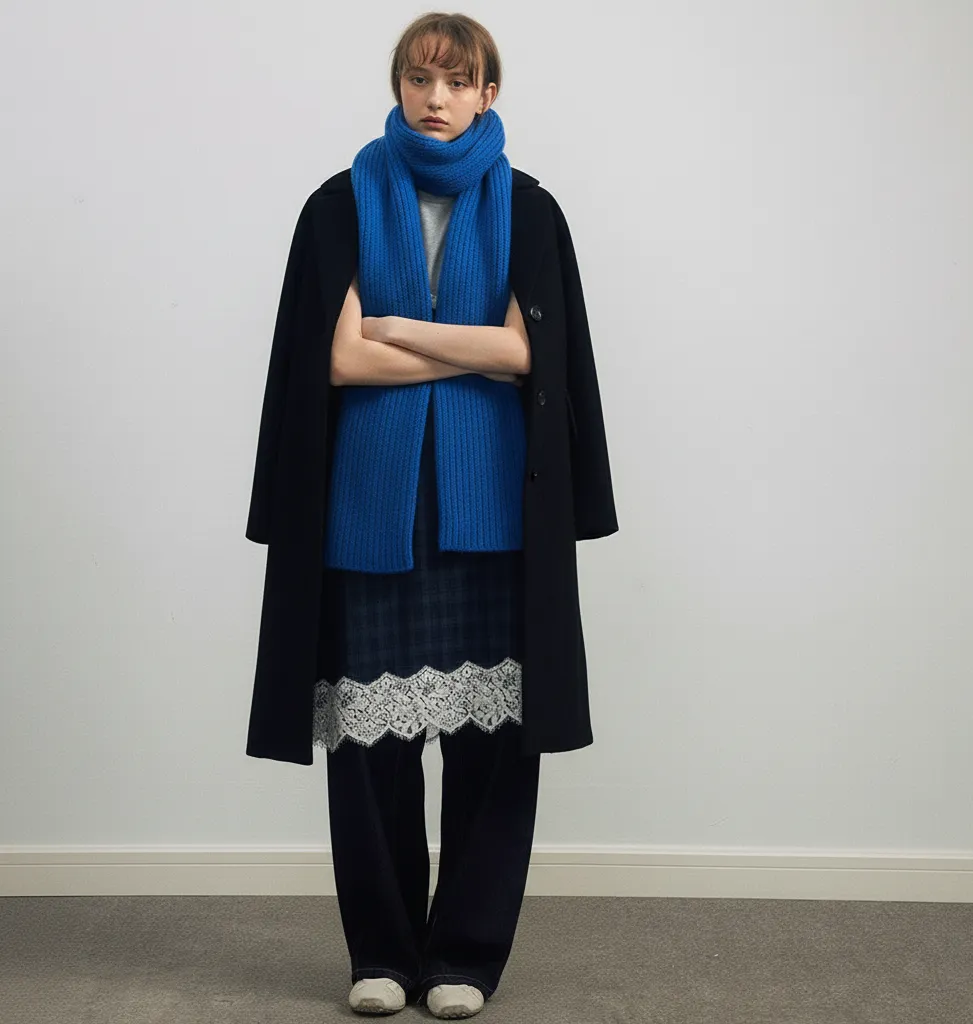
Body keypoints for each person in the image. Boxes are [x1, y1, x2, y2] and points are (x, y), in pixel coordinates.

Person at [244, 10, 618, 1020]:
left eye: (457, 81)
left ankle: (464, 957)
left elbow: (533, 354)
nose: (436, 98)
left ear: (489, 93)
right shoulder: (339, 204)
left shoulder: (529, 210)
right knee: (369, 747)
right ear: (399, 86)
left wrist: (401, 328)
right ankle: (381, 952)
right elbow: (335, 359)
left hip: (496, 508)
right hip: (368, 506)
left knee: (497, 748)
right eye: (420, 78)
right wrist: (471, 345)